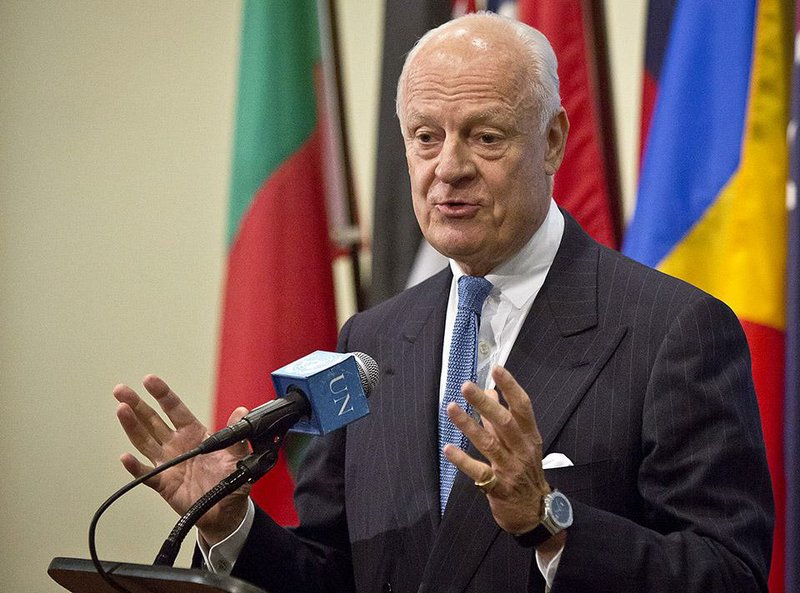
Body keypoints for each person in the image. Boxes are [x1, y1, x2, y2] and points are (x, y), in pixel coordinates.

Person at [114, 12, 773, 593]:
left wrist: (551, 521)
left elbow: (728, 573)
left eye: (485, 137)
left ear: (551, 141)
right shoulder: (370, 340)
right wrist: (235, 524)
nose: (449, 167)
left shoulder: (672, 331)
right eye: (426, 137)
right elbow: (339, 571)